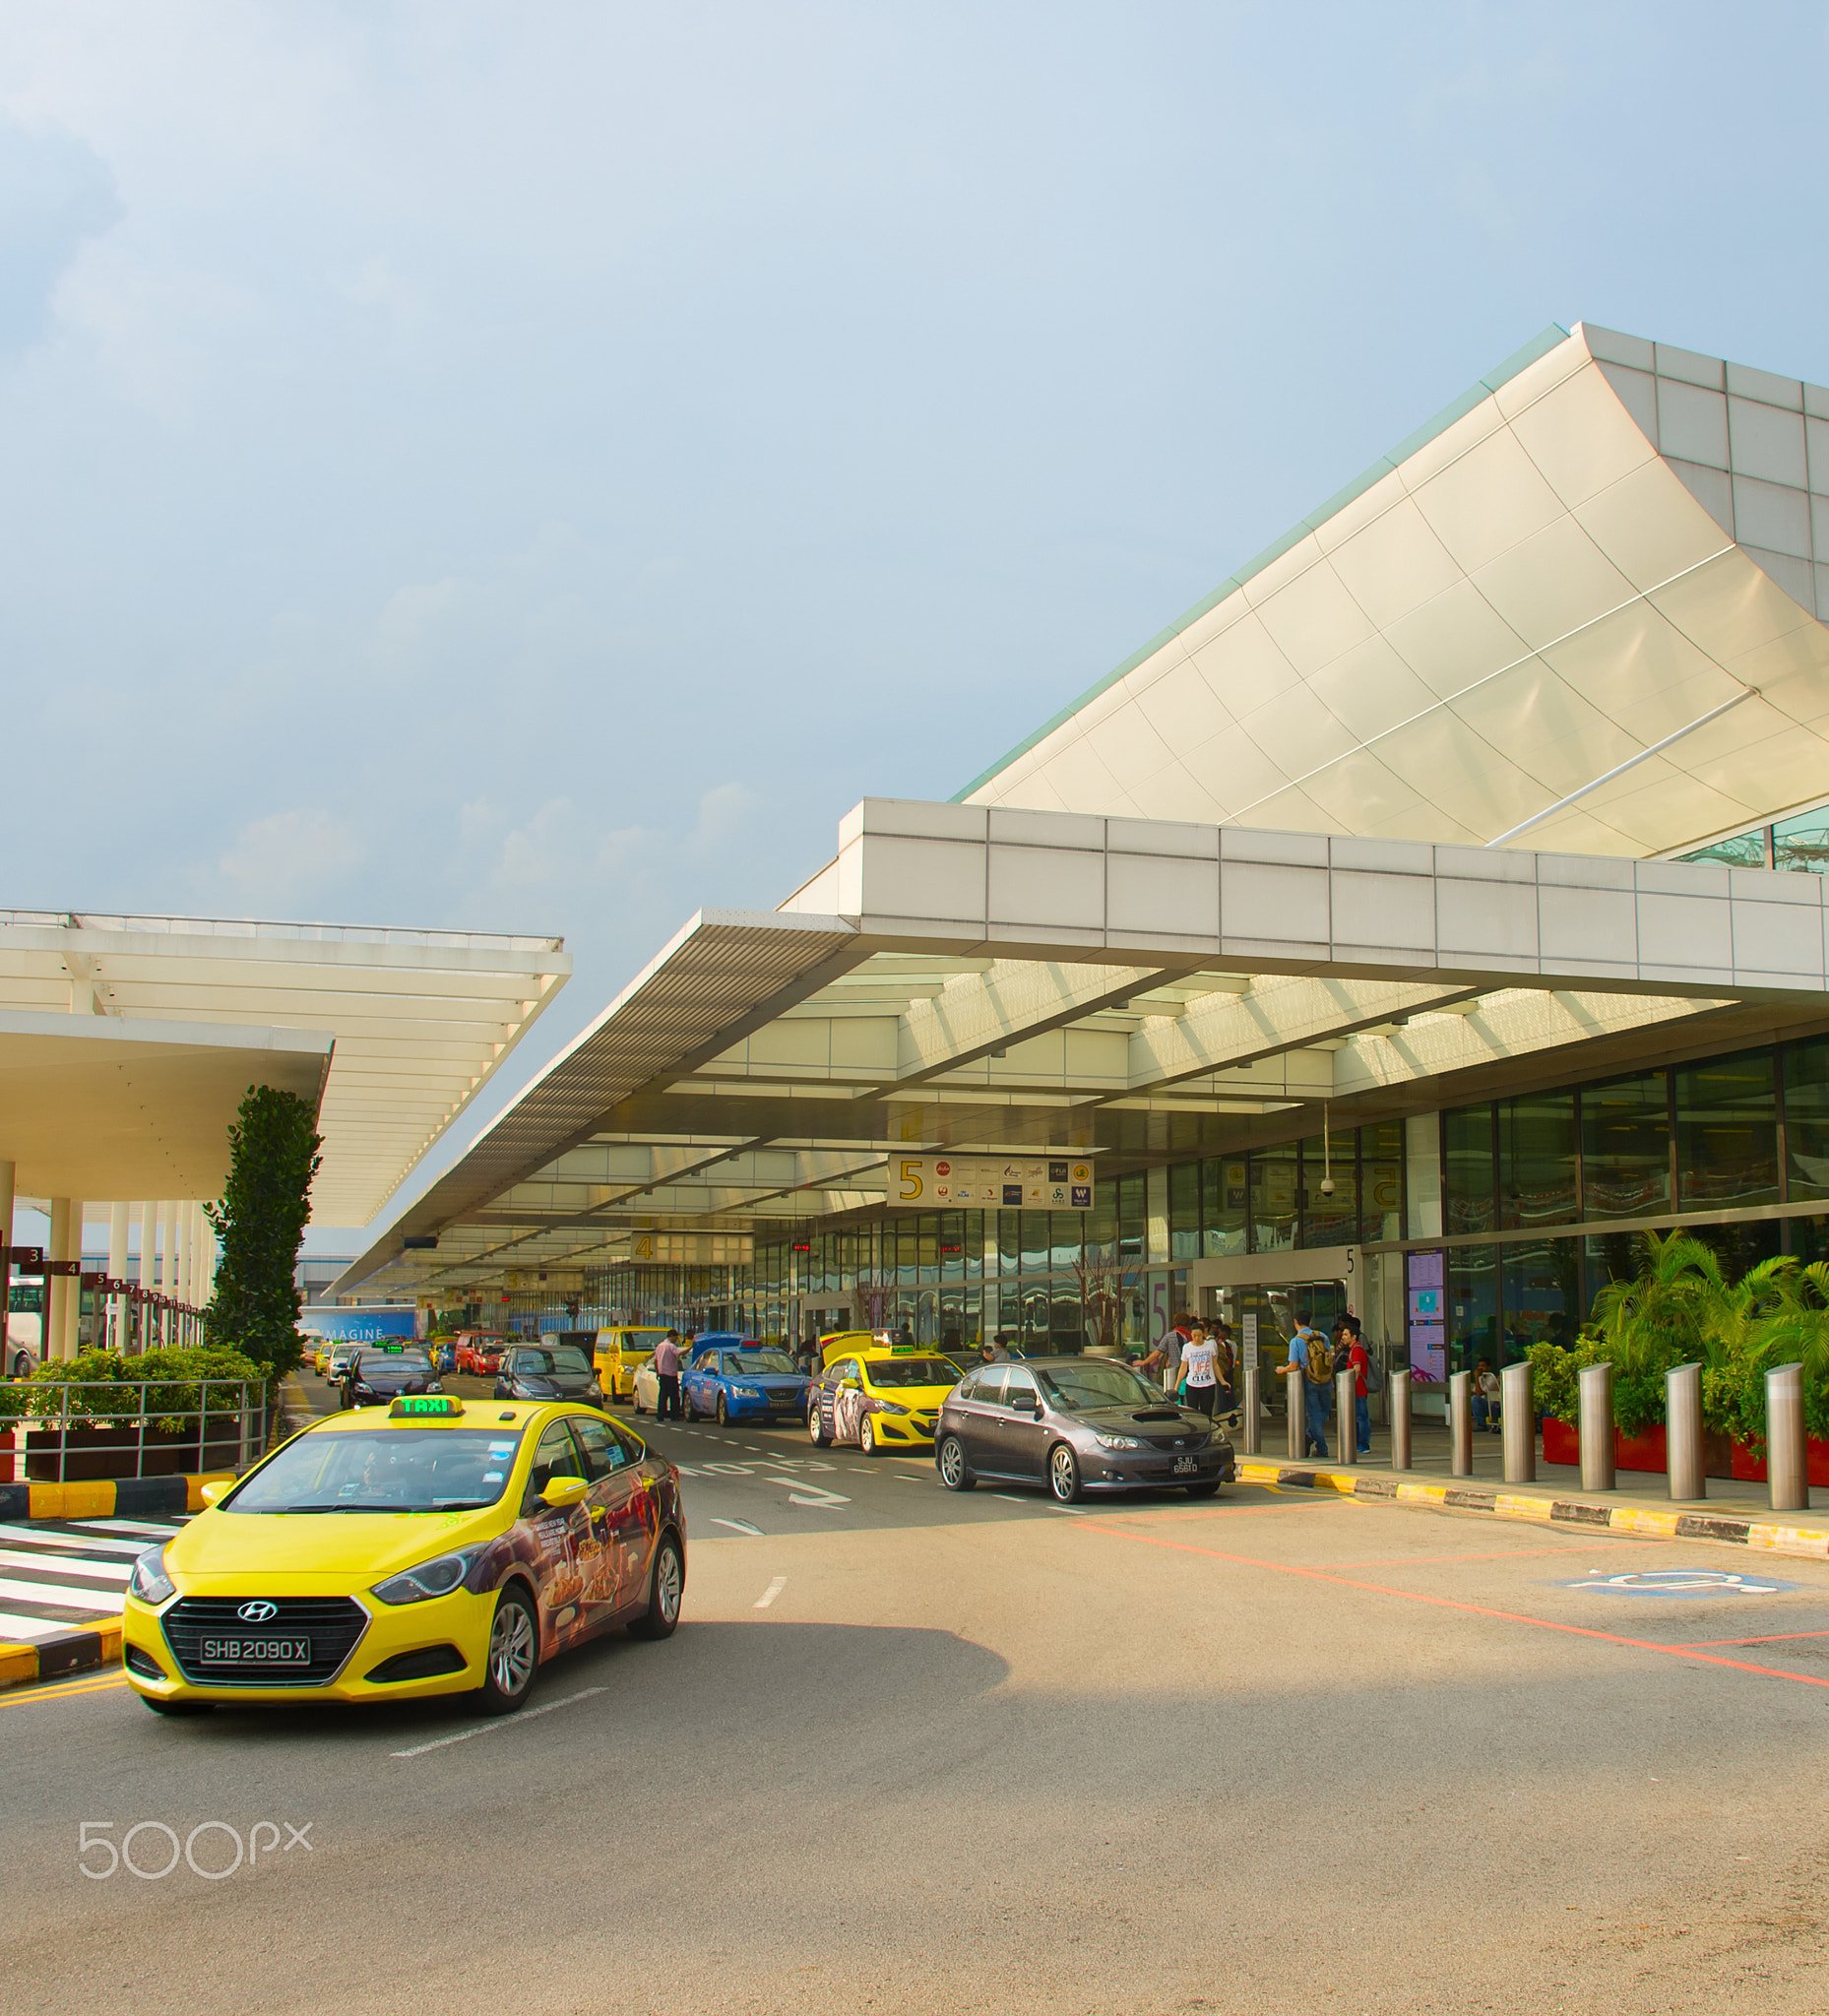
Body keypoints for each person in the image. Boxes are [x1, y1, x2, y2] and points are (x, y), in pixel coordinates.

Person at [1277, 1310, 1331, 1458]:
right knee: (1324, 1411)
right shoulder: (1323, 1336)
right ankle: (1312, 1437)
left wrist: (1282, 1370)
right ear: (1310, 1322)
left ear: (1295, 1322)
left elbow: (1294, 1366)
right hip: (1325, 1379)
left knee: (1313, 1415)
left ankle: (1320, 1445)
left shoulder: (1296, 1341)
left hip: (1309, 1380)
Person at [1338, 1314, 1372, 1458]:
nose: (1343, 1337)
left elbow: (1357, 1370)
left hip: (1358, 1390)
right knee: (1358, 1417)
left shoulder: (1357, 1350)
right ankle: (1360, 1442)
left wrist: (1350, 1387)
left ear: (1354, 1337)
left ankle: (1363, 1444)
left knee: (1361, 1417)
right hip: (1357, 1389)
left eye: (1346, 1334)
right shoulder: (1353, 1349)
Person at [1141, 1311, 1188, 1398]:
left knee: (1173, 1395)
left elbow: (1157, 1353)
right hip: (1191, 1371)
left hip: (1174, 1370)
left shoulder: (1170, 1336)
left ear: (1176, 1322)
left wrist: (1144, 1362)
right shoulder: (1192, 1335)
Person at [1179, 1320, 1221, 1418]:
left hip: (1208, 1383)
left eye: (1199, 1335)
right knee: (1192, 1413)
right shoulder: (1187, 1347)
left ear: (1204, 1334)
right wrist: (1176, 1386)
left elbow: (1215, 1365)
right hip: (1192, 1384)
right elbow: (1183, 1367)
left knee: (1207, 1412)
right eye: (1194, 1335)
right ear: (1191, 1335)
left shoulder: (1210, 1345)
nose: (1197, 1338)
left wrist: (1222, 1381)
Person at [653, 1329, 683, 1420]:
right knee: (674, 1396)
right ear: (672, 1336)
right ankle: (674, 1415)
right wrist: (690, 1347)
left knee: (663, 1395)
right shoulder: (671, 1346)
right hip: (671, 1375)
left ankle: (660, 1414)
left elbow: (655, 1360)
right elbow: (680, 1353)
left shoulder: (660, 1346)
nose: (676, 1340)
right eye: (676, 1337)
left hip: (662, 1374)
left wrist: (658, 1372)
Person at [1473, 1358, 1501, 1433]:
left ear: (1488, 1368)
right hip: (1484, 1404)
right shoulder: (1480, 1378)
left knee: (1475, 1399)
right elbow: (1474, 1391)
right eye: (1479, 1366)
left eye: (1483, 1366)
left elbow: (1480, 1393)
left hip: (1490, 1405)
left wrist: (1475, 1378)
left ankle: (1482, 1424)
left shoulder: (1491, 1378)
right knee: (1472, 1399)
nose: (1480, 1368)